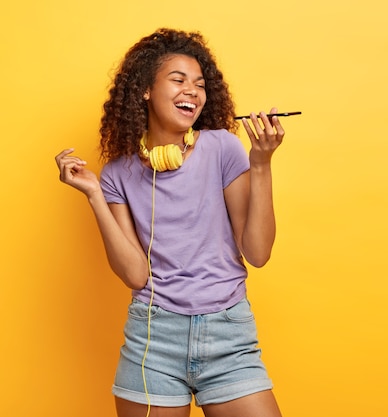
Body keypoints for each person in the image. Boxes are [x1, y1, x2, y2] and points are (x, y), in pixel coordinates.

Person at [55, 28, 285, 417]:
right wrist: (95, 194)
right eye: (178, 80)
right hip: (153, 338)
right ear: (145, 89)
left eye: (199, 84)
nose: (192, 92)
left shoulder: (223, 148)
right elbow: (135, 275)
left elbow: (258, 253)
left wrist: (260, 164)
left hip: (228, 332)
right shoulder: (117, 175)